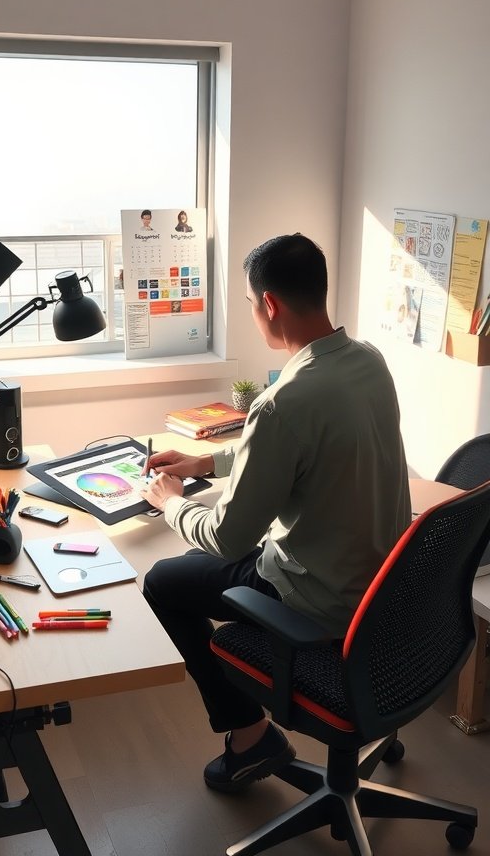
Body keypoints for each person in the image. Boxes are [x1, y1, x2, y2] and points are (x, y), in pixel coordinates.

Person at [141, 233, 412, 793]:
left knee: (164, 581)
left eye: (249, 303)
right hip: (384, 589)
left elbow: (227, 537)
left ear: (269, 305)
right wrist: (205, 461)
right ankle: (250, 730)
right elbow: (307, 448)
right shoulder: (367, 363)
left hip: (318, 600)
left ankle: (248, 734)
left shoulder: (281, 403)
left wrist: (172, 503)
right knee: (190, 571)